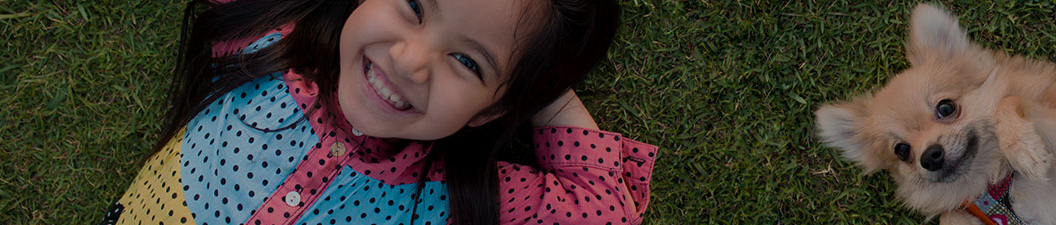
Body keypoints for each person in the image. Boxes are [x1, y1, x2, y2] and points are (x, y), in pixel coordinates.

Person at [98, 0, 657, 224]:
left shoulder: (459, 202)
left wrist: (545, 95)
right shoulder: (265, 41)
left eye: (467, 60)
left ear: (491, 112)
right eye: (414, 4)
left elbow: (605, 209)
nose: (409, 60)